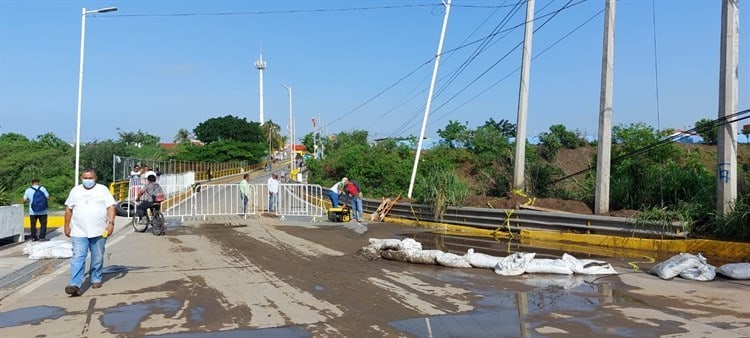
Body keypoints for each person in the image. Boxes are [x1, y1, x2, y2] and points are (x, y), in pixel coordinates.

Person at [63, 168, 116, 296]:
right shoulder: (75, 191)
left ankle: (96, 278)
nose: (87, 180)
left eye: (90, 178)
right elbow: (69, 209)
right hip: (79, 231)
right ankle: (75, 284)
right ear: (81, 178)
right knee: (78, 257)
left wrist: (111, 224)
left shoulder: (102, 190)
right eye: (85, 178)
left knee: (97, 256)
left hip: (99, 231)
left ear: (95, 178)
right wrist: (66, 225)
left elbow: (111, 207)